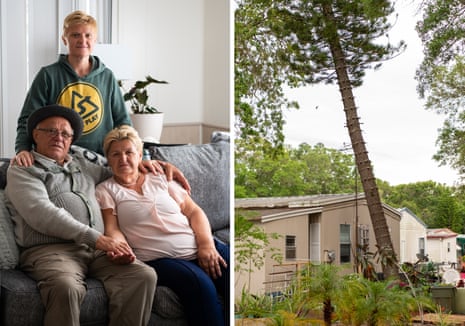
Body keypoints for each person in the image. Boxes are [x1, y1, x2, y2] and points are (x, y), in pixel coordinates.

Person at [5, 105, 157, 326]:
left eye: (65, 134)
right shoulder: (23, 168)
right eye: (51, 131)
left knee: (142, 276)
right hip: (50, 251)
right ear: (35, 134)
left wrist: (148, 163)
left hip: (96, 250)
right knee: (66, 288)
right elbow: (42, 213)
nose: (59, 137)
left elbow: (118, 168)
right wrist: (98, 239)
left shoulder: (82, 163)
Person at [12, 10, 191, 192]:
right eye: (75, 35)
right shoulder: (48, 75)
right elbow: (27, 119)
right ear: (64, 39)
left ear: (95, 40)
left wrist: (142, 156)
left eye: (88, 35)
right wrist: (22, 149)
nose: (82, 41)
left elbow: (123, 123)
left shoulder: (107, 77)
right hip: (59, 162)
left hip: (98, 161)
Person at [95, 125, 230, 326]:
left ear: (140, 156)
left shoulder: (159, 178)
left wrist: (206, 245)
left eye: (129, 152)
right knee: (200, 285)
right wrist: (119, 248)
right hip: (160, 259)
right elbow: (112, 228)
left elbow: (194, 211)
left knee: (234, 273)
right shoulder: (107, 190)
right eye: (116, 154)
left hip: (200, 245)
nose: (123, 159)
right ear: (108, 159)